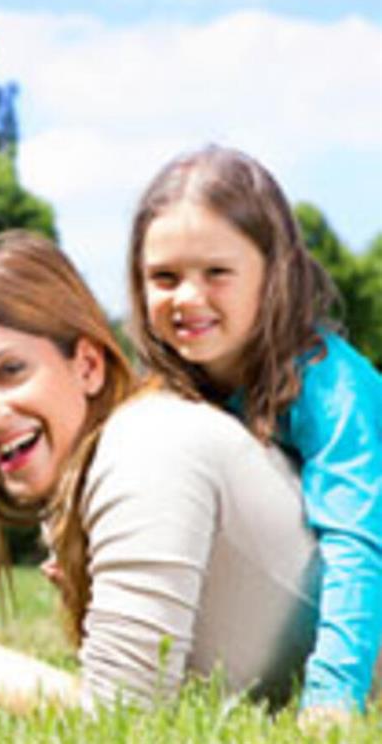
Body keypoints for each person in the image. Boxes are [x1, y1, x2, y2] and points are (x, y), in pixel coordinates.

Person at [0, 230, 350, 713]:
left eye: (10, 371)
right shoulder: (116, 459)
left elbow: (118, 716)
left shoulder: (146, 448)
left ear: (87, 365)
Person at [127, 145, 382, 721]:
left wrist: (332, 699)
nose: (188, 298)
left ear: (274, 273)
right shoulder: (172, 396)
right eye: (164, 277)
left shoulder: (330, 385)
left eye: (217, 273)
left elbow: (356, 546)